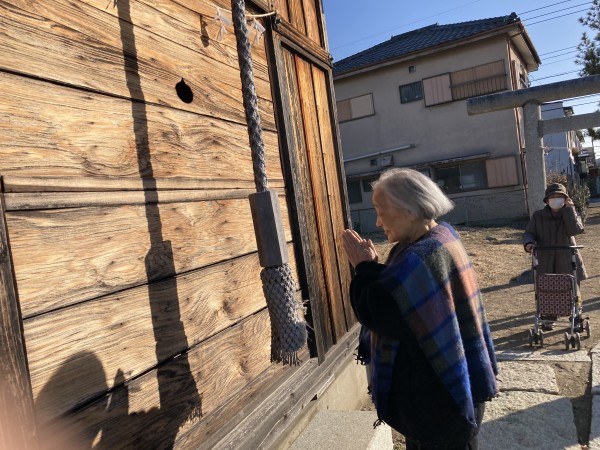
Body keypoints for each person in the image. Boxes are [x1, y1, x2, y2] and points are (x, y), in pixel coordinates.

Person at [341, 168, 498, 450]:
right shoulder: (440, 236)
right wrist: (373, 268)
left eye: (381, 211)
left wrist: (363, 268)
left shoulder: (422, 256)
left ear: (410, 210)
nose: (377, 221)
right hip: (441, 396)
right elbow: (400, 293)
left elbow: (380, 312)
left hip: (438, 405)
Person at [522, 182, 587, 331]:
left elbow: (575, 230)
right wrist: (529, 244)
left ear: (566, 199)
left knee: (572, 287)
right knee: (548, 288)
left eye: (560, 196)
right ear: (547, 200)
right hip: (545, 258)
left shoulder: (570, 213)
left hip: (567, 257)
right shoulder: (538, 216)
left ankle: (576, 316)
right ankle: (549, 316)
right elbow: (529, 233)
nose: (556, 199)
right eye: (553, 196)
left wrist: (569, 210)